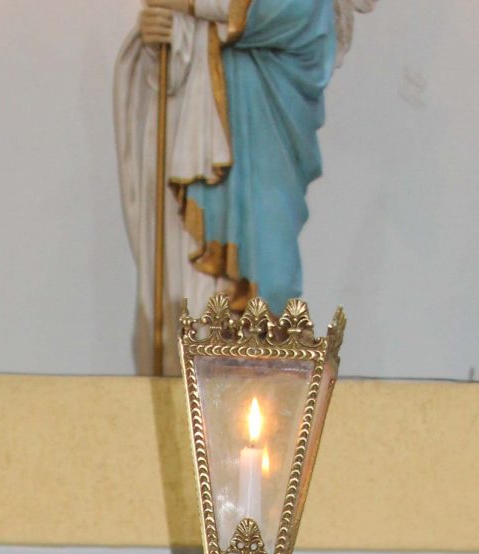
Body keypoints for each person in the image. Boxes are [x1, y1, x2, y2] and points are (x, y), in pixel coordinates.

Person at [114, 0, 378, 367]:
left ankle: (266, 375)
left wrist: (189, 8)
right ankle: (202, 373)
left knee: (273, 274)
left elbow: (291, 12)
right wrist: (167, 40)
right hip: (208, 142)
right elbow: (172, 73)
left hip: (272, 131)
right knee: (199, 292)